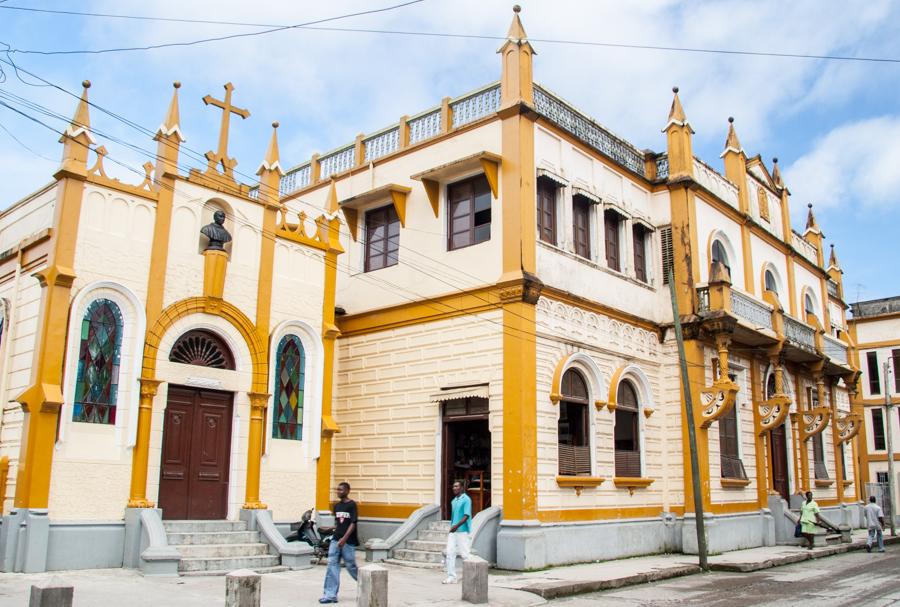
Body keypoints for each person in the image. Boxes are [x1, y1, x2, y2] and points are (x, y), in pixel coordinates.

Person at [318, 482, 359, 604]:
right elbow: (338, 524)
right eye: (337, 490)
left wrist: (344, 539)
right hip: (335, 540)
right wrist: (331, 530)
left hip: (348, 542)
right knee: (332, 565)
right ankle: (330, 595)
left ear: (347, 491)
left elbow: (353, 523)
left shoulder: (352, 505)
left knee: (350, 566)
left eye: (341, 490)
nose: (338, 492)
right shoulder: (336, 506)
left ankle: (368, 582)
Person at [443, 480, 473, 584]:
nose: (454, 488)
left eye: (456, 486)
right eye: (453, 486)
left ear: (461, 488)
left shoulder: (466, 499)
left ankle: (470, 576)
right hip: (453, 531)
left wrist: (456, 526)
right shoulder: (453, 501)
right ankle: (452, 577)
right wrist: (452, 527)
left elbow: (466, 516)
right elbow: (454, 517)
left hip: (462, 531)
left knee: (465, 554)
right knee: (450, 553)